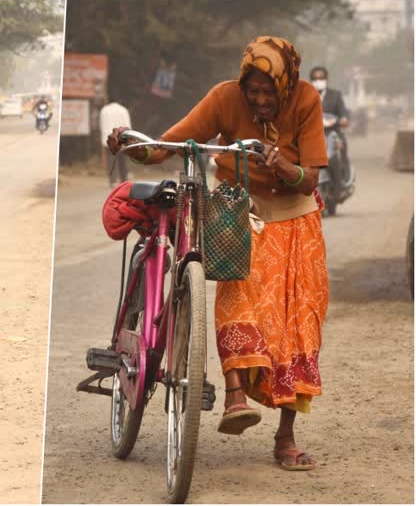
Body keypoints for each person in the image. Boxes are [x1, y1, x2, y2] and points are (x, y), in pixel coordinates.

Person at [108, 36, 329, 471]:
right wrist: (132, 145)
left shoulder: (305, 100)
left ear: (285, 85)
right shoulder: (225, 97)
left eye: (269, 92)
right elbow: (171, 144)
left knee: (296, 328)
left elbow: (310, 178)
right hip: (238, 213)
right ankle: (234, 397)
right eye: (254, 92)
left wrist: (282, 166)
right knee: (235, 300)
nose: (260, 100)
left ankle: (285, 438)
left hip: (297, 220)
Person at [310, 65, 351, 180]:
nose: (318, 81)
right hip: (312, 135)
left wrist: (343, 119)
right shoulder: (306, 96)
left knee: (339, 150)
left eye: (321, 78)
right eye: (315, 78)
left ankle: (343, 178)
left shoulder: (335, 95)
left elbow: (343, 112)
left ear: (326, 79)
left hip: (332, 133)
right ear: (311, 80)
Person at [99, 98, 132, 187]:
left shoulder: (104, 110)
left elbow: (102, 125)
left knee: (111, 160)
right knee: (123, 160)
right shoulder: (123, 110)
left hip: (108, 138)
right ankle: (124, 180)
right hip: (122, 138)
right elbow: (128, 126)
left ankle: (113, 181)